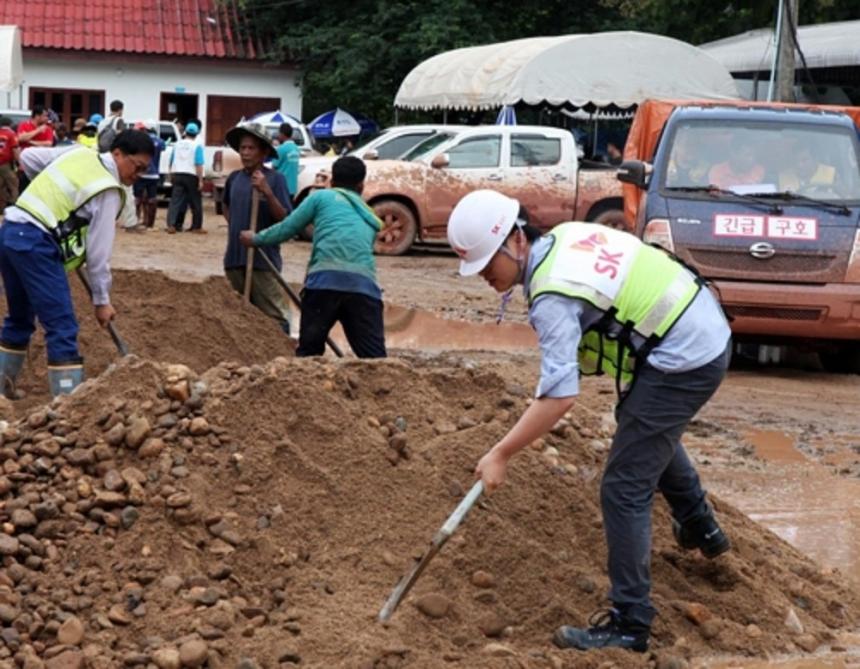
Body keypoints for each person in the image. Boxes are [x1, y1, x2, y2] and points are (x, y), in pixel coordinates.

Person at [447, 189, 732, 653]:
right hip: (700, 328)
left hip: (686, 355)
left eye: (485, 265)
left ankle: (630, 624)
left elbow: (559, 396)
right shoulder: (562, 239)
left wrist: (501, 452)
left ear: (515, 240)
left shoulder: (551, 294)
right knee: (640, 423)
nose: (484, 277)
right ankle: (700, 526)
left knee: (623, 488)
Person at [0, 131, 154, 397]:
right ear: (117, 154)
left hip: (11, 231)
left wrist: (60, 194)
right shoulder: (107, 190)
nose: (137, 175)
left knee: (20, 317)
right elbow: (98, 255)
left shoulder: (79, 154)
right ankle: (69, 407)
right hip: (37, 243)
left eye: (143, 170)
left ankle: (2, 390)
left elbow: (28, 157)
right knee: (62, 326)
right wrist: (101, 300)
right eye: (136, 167)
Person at [239, 156, 386, 358]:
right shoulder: (369, 216)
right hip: (364, 290)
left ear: (332, 182)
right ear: (361, 186)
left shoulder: (320, 198)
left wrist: (255, 238)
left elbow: (287, 228)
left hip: (323, 286)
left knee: (308, 354)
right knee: (375, 360)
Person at [221, 122, 293, 334]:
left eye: (251, 148)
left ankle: (282, 354)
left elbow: (285, 219)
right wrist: (235, 227)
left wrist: (266, 192)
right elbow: (225, 205)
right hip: (235, 258)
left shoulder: (275, 180)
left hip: (263, 259)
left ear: (263, 152)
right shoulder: (235, 178)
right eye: (243, 148)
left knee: (274, 315)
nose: (245, 153)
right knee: (240, 313)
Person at [166, 122, 204, 233]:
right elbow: (199, 164)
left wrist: (171, 174)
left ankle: (171, 225)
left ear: (185, 132)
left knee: (175, 201)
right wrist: (200, 180)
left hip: (178, 174)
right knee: (195, 201)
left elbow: (171, 161)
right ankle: (196, 226)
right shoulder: (197, 146)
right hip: (191, 175)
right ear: (196, 134)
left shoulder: (177, 144)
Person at [133, 120, 165, 229]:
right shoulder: (160, 141)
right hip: (154, 174)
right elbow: (163, 148)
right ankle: (150, 223)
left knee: (137, 197)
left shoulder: (141, 141)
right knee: (152, 198)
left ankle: (135, 220)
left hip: (141, 173)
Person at [272, 122, 300, 202]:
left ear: (282, 134)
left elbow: (273, 168)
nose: (278, 136)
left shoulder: (281, 149)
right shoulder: (296, 149)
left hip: (282, 187)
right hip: (293, 188)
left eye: (279, 133)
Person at [0, 116, 20, 214]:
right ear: (10, 124)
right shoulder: (11, 134)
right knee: (14, 184)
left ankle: (1, 209)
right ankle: (13, 207)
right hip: (5, 164)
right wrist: (19, 162)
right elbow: (15, 149)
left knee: (1, 186)